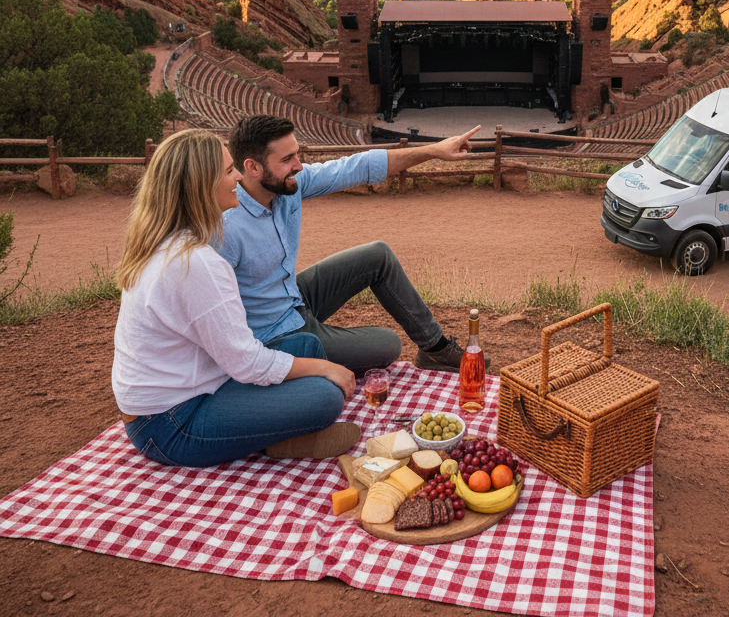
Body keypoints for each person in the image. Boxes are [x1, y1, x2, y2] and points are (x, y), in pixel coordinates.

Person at [112, 129, 362, 467]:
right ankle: (279, 438)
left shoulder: (167, 242)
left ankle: (281, 436)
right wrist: (327, 369)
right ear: (202, 185)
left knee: (306, 346)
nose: (238, 178)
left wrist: (316, 363)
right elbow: (246, 363)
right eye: (229, 171)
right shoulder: (196, 263)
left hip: (178, 396)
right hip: (171, 423)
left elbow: (235, 355)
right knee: (325, 396)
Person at [216, 115, 488, 378]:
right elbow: (216, 319)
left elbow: (356, 167)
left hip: (292, 296)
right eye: (287, 159)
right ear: (252, 167)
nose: (299, 165)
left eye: (297, 154)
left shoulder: (289, 185)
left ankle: (435, 349)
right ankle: (307, 355)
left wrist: (434, 150)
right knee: (388, 345)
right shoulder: (226, 229)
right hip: (277, 332)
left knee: (377, 255)